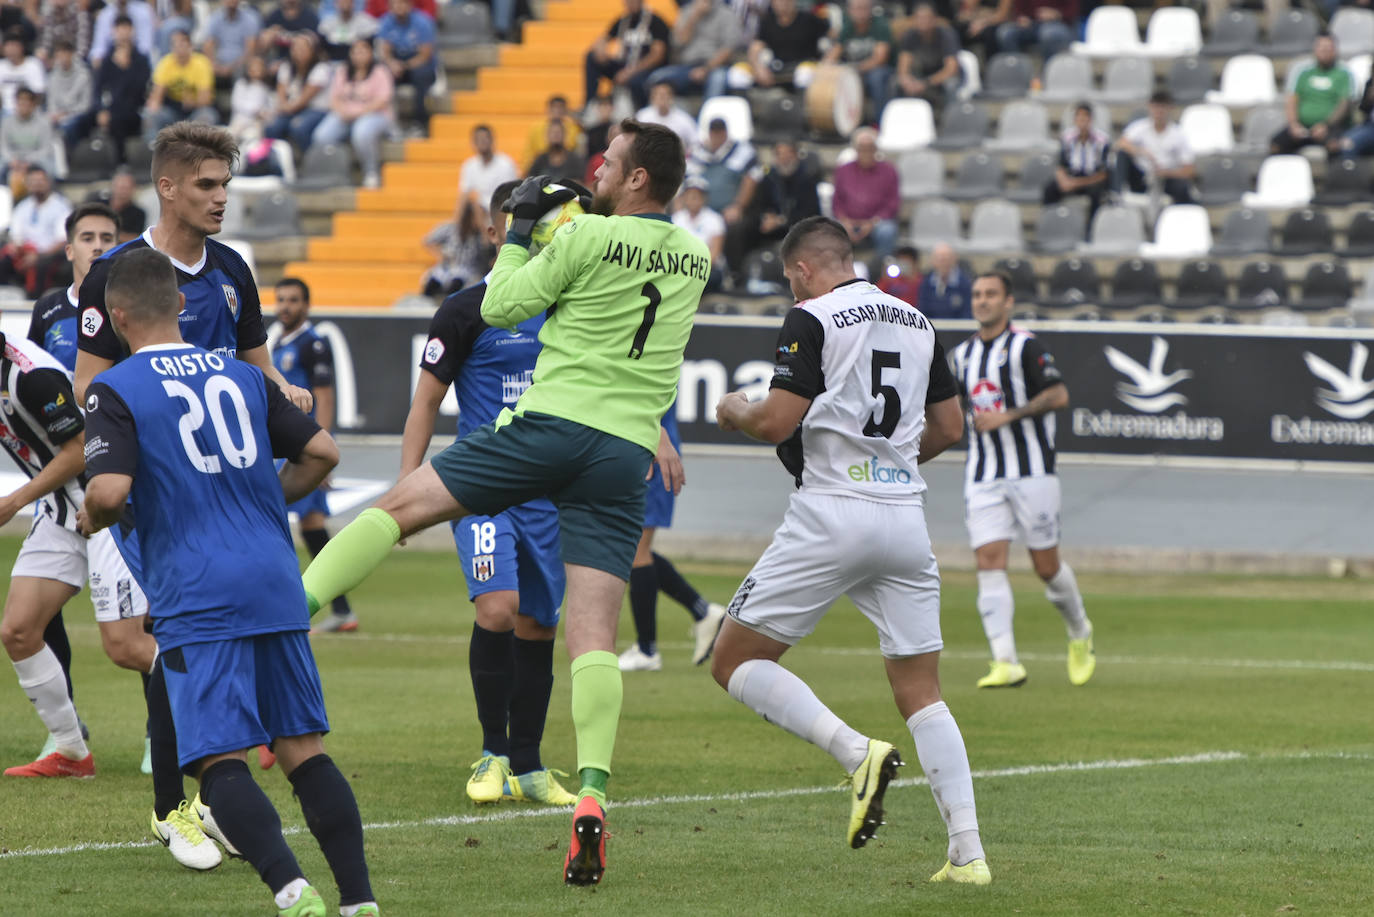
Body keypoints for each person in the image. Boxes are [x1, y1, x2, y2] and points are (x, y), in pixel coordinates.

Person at [298, 120, 708, 886]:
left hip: (551, 428)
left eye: (611, 162)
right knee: (592, 633)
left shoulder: (583, 241)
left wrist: (522, 232)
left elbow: (501, 301)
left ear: (640, 180)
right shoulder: (695, 254)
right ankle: (591, 792)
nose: (599, 170)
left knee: (401, 505)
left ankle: (284, 615)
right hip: (622, 455)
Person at [80, 248, 377, 917]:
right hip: (274, 574)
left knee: (219, 761)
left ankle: (292, 891)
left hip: (197, 585)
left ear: (118, 317)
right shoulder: (242, 375)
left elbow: (111, 486)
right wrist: (260, 502)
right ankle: (360, 901)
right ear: (183, 304)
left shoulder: (115, 387)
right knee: (304, 749)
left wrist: (93, 514)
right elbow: (323, 452)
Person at [710, 214, 989, 886]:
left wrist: (733, 407)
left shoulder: (812, 317)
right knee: (923, 691)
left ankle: (855, 751)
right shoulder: (917, 320)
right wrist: (889, 459)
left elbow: (777, 419)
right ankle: (968, 853)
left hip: (831, 511)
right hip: (903, 516)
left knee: (732, 658)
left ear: (803, 269)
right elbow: (950, 425)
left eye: (788, 279)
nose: (790, 290)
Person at [76, 121, 313, 872]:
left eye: (225, 184)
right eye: (206, 184)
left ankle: (212, 791)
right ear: (167, 186)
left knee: (196, 643)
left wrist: (285, 394)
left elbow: (257, 368)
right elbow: (90, 390)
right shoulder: (116, 273)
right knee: (168, 645)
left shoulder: (234, 271)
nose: (220, 198)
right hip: (155, 501)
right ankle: (178, 807)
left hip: (225, 498)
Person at [401, 178, 579, 808]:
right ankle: (493, 753)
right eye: (521, 222)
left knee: (538, 622)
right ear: (496, 232)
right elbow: (426, 401)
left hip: (548, 493)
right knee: (497, 609)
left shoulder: (569, 305)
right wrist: (409, 488)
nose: (533, 232)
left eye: (544, 220)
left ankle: (529, 764)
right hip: (482, 485)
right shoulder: (463, 310)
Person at [13, 201, 158, 781]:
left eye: (107, 237)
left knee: (130, 641)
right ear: (67, 248)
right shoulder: (49, 311)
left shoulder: (128, 309)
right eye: (87, 237)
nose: (97, 245)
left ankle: (167, 731)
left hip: (112, 481)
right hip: (62, 493)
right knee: (24, 624)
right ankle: (69, 743)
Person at [948, 272, 1095, 689]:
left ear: (1008, 301)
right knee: (988, 560)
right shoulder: (961, 357)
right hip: (983, 474)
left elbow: (1059, 395)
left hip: (1032, 472)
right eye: (976, 294)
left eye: (991, 294)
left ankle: (1080, 630)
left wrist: (1007, 417)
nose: (982, 301)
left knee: (1045, 566)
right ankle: (1005, 661)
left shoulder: (1026, 347)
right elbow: (952, 408)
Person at [618, 383, 727, 670]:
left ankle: (647, 650)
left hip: (649, 454)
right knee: (632, 549)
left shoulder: (651, 352)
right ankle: (703, 612)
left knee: (635, 551)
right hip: (641, 449)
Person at [272, 278, 358, 635]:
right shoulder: (276, 342)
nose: (285, 306)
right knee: (306, 526)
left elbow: (325, 396)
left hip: (306, 449)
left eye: (293, 300)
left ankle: (322, 607)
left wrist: (323, 448)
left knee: (304, 525)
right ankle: (337, 609)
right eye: (281, 300)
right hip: (285, 449)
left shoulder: (313, 344)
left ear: (307, 305)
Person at [723, 138, 820, 286]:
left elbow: (811, 212)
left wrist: (782, 221)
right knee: (738, 230)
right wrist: (765, 218)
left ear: (795, 155)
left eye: (787, 154)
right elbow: (757, 206)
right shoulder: (769, 177)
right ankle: (738, 276)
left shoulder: (807, 178)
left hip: (796, 226)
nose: (783, 158)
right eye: (779, 154)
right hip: (769, 226)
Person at [312, 38, 394, 188]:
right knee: (322, 136)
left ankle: (371, 172)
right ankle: (338, 173)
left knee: (361, 132)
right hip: (345, 114)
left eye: (363, 52)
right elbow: (334, 97)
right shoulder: (343, 70)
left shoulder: (380, 71)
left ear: (370, 53)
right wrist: (341, 111)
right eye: (355, 52)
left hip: (374, 113)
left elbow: (383, 100)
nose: (359, 55)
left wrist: (359, 113)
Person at [1271, 33, 1352, 155]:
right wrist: (1293, 124)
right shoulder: (1304, 73)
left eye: (1328, 48)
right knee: (1276, 145)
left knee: (1335, 146)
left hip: (1330, 127)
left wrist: (1326, 125)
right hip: (1303, 126)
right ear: (1315, 50)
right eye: (1321, 48)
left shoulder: (1344, 74)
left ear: (1335, 51)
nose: (1324, 51)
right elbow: (1292, 99)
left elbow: (1344, 104)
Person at [584, 0, 670, 111]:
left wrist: (630, 72)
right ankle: (589, 105)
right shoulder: (623, 21)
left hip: (646, 69)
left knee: (636, 82)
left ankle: (641, 113)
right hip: (625, 65)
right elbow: (603, 39)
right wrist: (600, 49)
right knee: (591, 57)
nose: (630, 4)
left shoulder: (655, 21)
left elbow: (657, 55)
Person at [646, 0, 742, 100]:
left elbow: (729, 49)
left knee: (718, 79)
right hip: (687, 67)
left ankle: (707, 114)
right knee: (656, 78)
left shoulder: (727, 14)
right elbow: (679, 42)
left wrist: (706, 69)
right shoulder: (686, 11)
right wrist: (695, 16)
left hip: (715, 67)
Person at [1116, 90, 1196, 206]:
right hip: (1142, 176)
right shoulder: (1140, 127)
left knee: (1182, 187)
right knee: (1122, 155)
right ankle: (1116, 195)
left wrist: (1165, 173)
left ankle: (1184, 214)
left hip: (1166, 178)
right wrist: (1141, 151)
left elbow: (1189, 170)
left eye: (1163, 107)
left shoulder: (1178, 134)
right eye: (1156, 106)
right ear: (1150, 107)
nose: (1159, 111)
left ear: (1170, 108)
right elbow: (1121, 143)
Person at [831, 127, 899, 261]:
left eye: (870, 148)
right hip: (848, 221)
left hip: (876, 222)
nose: (866, 153)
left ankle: (880, 270)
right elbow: (837, 201)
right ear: (856, 150)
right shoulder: (843, 171)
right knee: (829, 230)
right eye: (862, 148)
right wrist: (845, 221)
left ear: (876, 149)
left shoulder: (889, 171)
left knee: (887, 231)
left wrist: (872, 223)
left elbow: (892, 203)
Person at [0, 165, 70, 295]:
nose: (37, 185)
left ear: (48, 182)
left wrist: (38, 256)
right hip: (25, 251)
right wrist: (16, 248)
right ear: (27, 184)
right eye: (32, 181)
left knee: (41, 266)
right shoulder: (23, 206)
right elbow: (16, 236)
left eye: (40, 181)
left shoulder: (61, 206)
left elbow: (62, 240)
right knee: (4, 259)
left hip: (48, 254)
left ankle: (34, 303)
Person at [90, 15, 152, 156]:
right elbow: (97, 88)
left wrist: (125, 68)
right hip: (113, 107)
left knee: (119, 119)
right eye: (119, 29)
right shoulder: (107, 60)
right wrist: (101, 110)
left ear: (132, 31)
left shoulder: (141, 59)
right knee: (85, 120)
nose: (123, 33)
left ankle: (122, 163)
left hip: (136, 108)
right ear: (114, 32)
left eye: (126, 28)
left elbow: (140, 88)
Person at [824, 0, 894, 121]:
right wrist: (825, 67)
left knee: (876, 78)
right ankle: (844, 123)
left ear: (871, 9)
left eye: (864, 8)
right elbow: (834, 53)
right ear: (849, 11)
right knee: (839, 79)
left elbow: (880, 59)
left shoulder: (880, 25)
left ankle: (880, 122)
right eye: (856, 8)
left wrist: (854, 69)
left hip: (879, 69)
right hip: (853, 69)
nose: (860, 12)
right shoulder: (847, 26)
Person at [144, 29, 219, 142]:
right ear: (172, 48)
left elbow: (206, 99)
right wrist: (154, 106)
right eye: (176, 46)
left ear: (190, 47)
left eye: (183, 45)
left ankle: (198, 154)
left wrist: (193, 102)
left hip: (197, 109)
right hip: (173, 108)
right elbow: (157, 94)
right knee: (150, 115)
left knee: (206, 117)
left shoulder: (202, 63)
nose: (180, 50)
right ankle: (154, 150)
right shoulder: (165, 63)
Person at [376, 0, 438, 133]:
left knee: (420, 76)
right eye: (395, 4)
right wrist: (392, 63)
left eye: (402, 4)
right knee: (383, 74)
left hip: (419, 64)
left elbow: (425, 55)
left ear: (410, 5)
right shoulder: (386, 21)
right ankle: (389, 122)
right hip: (398, 63)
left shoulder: (422, 22)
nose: (399, 7)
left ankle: (420, 121)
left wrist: (405, 65)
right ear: (390, 7)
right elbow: (384, 51)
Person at [1044, 101, 1110, 223]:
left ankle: (1092, 229)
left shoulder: (1102, 141)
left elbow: (1103, 174)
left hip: (1092, 179)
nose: (1082, 120)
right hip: (1073, 175)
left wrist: (1075, 183)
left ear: (1090, 119)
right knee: (1050, 189)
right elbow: (1060, 165)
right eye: (1078, 116)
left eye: (1085, 116)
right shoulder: (1066, 138)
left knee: (1097, 193)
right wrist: (1064, 181)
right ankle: (1052, 223)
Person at [264, 32, 332, 151]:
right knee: (272, 127)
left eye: (303, 47)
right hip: (289, 108)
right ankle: (276, 160)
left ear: (312, 50)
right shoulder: (286, 66)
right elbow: (281, 94)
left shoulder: (321, 68)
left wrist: (283, 108)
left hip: (316, 110)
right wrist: (282, 107)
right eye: (295, 47)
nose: (298, 51)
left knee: (299, 127)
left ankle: (310, 160)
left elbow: (303, 100)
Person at [687, 117, 759, 224]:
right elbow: (686, 182)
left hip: (729, 211)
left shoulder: (743, 151)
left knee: (738, 226)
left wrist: (737, 206)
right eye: (714, 133)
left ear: (725, 133)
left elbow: (752, 179)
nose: (717, 137)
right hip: (699, 211)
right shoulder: (696, 152)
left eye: (720, 133)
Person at [747, 0, 828, 90]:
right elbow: (755, 47)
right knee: (739, 75)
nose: (783, 4)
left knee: (804, 74)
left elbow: (832, 37)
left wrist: (826, 63)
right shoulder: (767, 21)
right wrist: (759, 68)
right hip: (776, 67)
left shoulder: (809, 19)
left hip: (804, 66)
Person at [896, 3, 962, 111]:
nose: (923, 21)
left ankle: (951, 120)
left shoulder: (947, 35)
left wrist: (926, 83)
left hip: (941, 76)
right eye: (920, 18)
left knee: (951, 84)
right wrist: (906, 80)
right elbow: (903, 66)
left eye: (927, 18)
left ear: (935, 19)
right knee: (895, 83)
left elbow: (951, 69)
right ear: (914, 20)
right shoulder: (909, 35)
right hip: (920, 75)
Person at [669, 176, 726, 293]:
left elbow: (715, 253)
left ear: (704, 198)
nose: (693, 200)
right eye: (689, 196)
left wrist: (694, 269)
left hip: (707, 268)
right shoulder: (677, 218)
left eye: (696, 196)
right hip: (681, 268)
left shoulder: (715, 219)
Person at [422, 198, 489, 297]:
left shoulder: (481, 236)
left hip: (468, 272)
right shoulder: (452, 229)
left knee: (458, 281)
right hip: (448, 268)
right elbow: (428, 241)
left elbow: (487, 246)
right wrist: (440, 255)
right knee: (435, 279)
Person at [459, 124, 518, 215]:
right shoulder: (469, 165)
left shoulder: (506, 164)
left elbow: (510, 194)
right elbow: (464, 195)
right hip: (479, 212)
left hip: (500, 211)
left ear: (492, 140)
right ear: (473, 143)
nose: (482, 142)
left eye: (485, 138)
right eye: (478, 139)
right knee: (473, 205)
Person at [2, 88, 57, 185]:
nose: (23, 106)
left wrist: (28, 162)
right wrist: (12, 160)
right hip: (13, 159)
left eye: (26, 103)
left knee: (50, 168)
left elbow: (45, 149)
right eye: (20, 102)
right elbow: (3, 147)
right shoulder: (6, 123)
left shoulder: (44, 123)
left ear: (33, 105)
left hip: (36, 159)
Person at [202, 0, 262, 88]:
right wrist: (213, 64)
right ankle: (207, 100)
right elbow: (208, 45)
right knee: (203, 67)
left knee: (244, 69)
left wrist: (232, 67)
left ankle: (238, 99)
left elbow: (250, 50)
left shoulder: (249, 19)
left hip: (240, 64)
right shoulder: (215, 18)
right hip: (219, 63)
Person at [995, 0, 1077, 61]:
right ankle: (1017, 72)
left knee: (1048, 34)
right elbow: (1019, 9)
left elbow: (1073, 11)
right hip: (1032, 23)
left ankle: (1049, 76)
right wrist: (1021, 17)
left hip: (1059, 23)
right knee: (1005, 32)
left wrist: (1056, 14)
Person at [85, 167, 147, 242]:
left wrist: (109, 233)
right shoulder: (97, 204)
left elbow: (136, 238)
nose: (123, 192)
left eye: (127, 188)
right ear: (113, 186)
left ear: (133, 189)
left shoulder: (138, 213)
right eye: (121, 187)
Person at [635, 81, 698, 155]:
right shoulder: (642, 116)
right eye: (658, 95)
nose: (661, 99)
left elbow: (695, 143)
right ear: (652, 97)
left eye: (664, 95)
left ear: (671, 97)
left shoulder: (684, 119)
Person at [89, 0, 156, 66]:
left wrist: (128, 54)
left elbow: (146, 46)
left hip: (137, 59)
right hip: (111, 60)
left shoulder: (144, 11)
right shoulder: (105, 15)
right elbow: (99, 47)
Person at [523, 95, 582, 169]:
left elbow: (578, 152)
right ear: (548, 109)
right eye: (554, 107)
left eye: (560, 107)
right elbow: (529, 153)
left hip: (567, 167)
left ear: (565, 110)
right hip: (541, 167)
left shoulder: (574, 128)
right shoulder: (536, 128)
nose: (557, 110)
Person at [229, 54, 277, 144]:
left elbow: (271, 106)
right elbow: (236, 103)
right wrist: (256, 111)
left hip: (257, 123)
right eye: (253, 66)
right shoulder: (241, 84)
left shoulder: (266, 88)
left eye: (259, 66)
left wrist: (265, 113)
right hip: (240, 119)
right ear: (248, 69)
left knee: (254, 137)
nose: (256, 69)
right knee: (233, 134)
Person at [916, 241, 971, 319]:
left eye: (946, 259)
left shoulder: (965, 283)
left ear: (954, 259)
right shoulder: (926, 283)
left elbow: (967, 312)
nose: (943, 263)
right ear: (933, 261)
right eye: (940, 259)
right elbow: (922, 310)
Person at [0, 28, 45, 117]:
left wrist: (25, 110)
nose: (11, 49)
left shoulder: (33, 64)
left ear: (22, 47)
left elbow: (39, 94)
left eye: (14, 45)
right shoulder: (1, 66)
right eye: (8, 46)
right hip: (4, 111)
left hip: (29, 111)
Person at [528, 119, 589, 184]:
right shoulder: (540, 160)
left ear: (565, 135)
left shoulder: (575, 160)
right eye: (553, 132)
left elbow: (580, 182)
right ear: (547, 135)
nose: (555, 135)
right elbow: (531, 182)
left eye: (558, 132)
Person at [37, 0, 92, 65]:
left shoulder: (80, 15)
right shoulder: (49, 15)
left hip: (76, 62)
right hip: (54, 62)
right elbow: (46, 43)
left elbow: (83, 47)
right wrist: (45, 54)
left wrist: (67, 60)